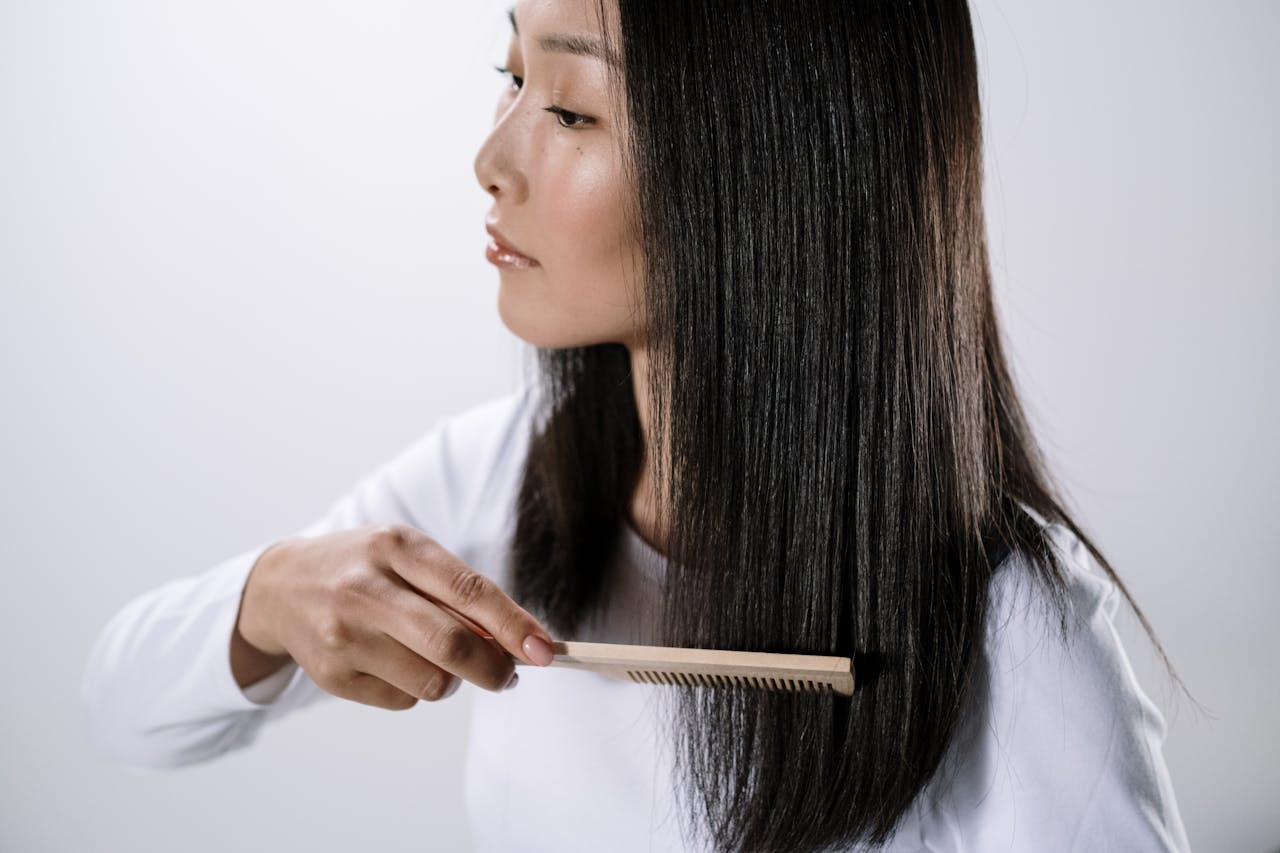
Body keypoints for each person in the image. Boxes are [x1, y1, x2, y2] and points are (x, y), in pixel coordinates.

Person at [81, 1, 1194, 850]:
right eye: (508, 76)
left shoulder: (1020, 642)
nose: (489, 160)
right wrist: (270, 600)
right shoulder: (504, 472)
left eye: (567, 108)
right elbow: (124, 712)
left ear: (773, 171)